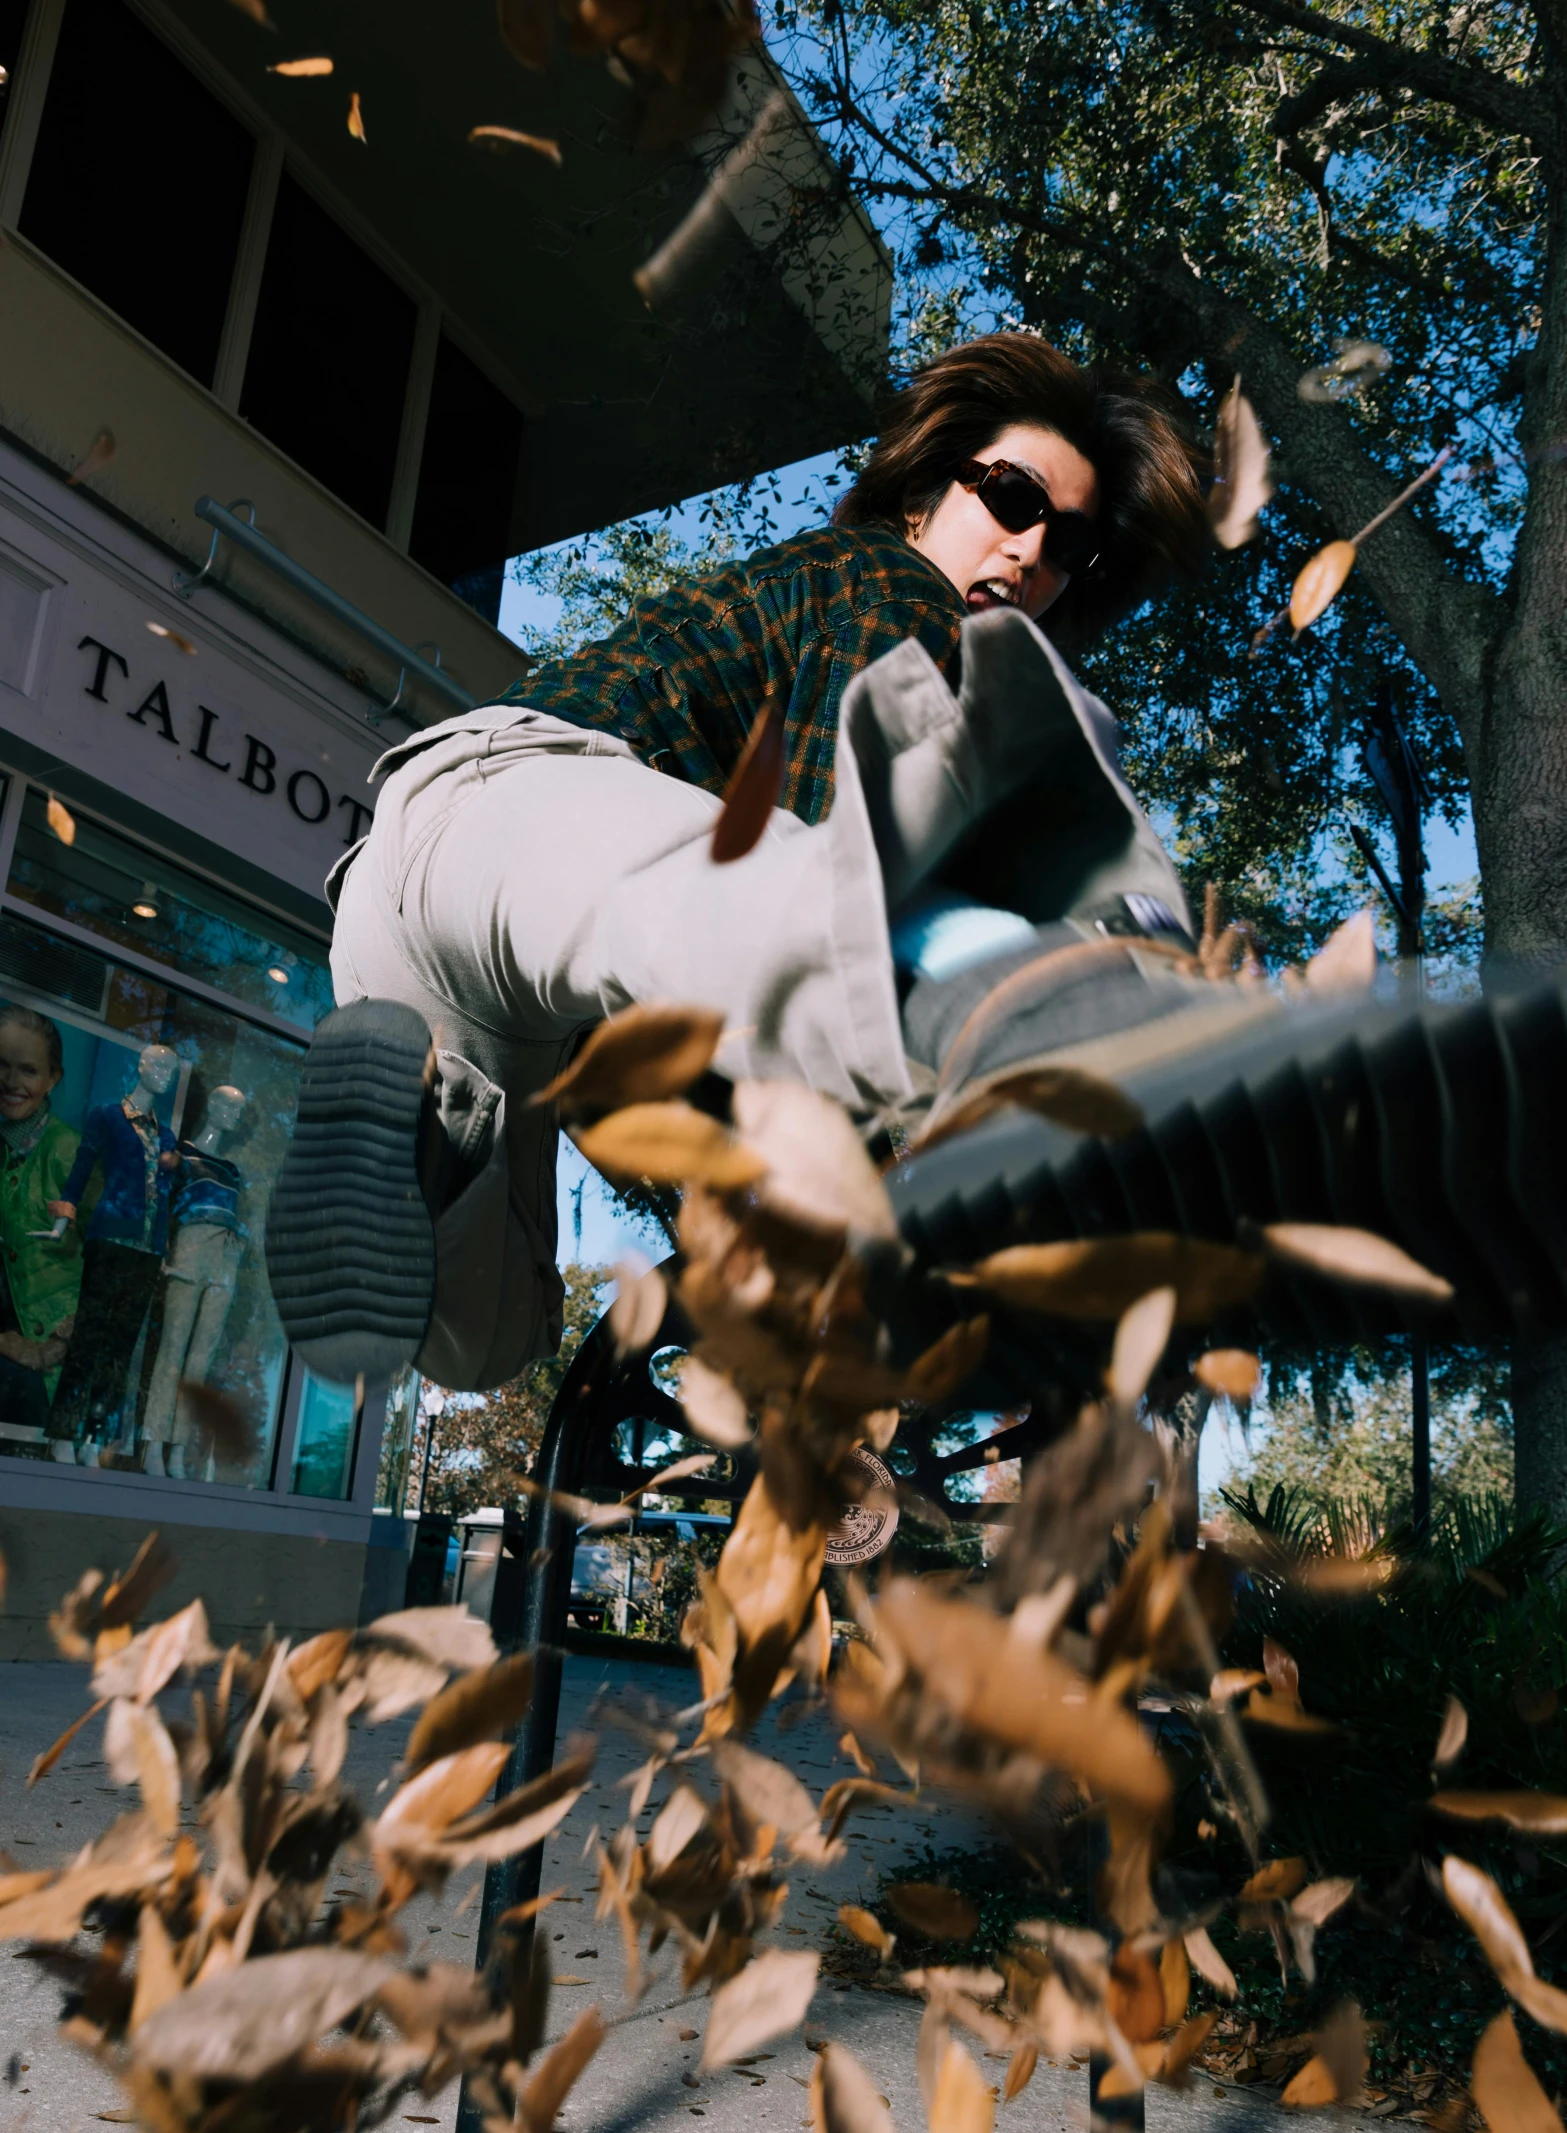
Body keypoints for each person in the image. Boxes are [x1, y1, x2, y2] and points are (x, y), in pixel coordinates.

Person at [265, 332, 1567, 1394]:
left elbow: (704, 1082)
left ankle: (418, 1145)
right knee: (916, 820)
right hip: (506, 809)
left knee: (485, 1344)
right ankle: (1059, 1018)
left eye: (1067, 546)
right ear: (921, 492)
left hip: (422, 974)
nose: (1027, 552)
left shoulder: (729, 918)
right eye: (1009, 500)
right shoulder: (884, 583)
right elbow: (872, 824)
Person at [0, 1005, 84, 1420]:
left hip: (45, 1369)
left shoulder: (69, 1151)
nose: (11, 1082)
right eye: (2, 1065)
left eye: (29, 1070)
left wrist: (53, 1346)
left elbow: (113, 1262)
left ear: (53, 1079)